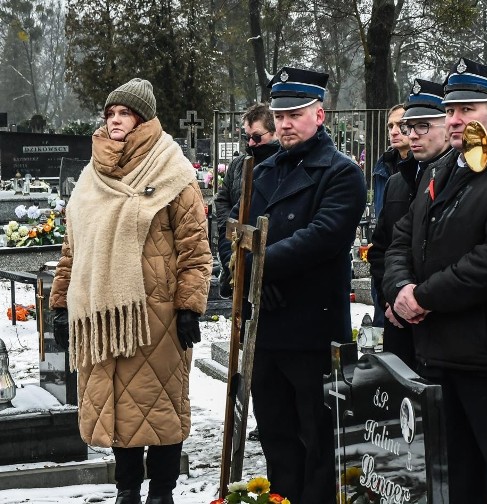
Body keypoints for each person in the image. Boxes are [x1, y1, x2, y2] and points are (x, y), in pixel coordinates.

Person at [382, 58, 487, 504]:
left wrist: (424, 297)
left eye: (467, 110)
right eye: (450, 110)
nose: (455, 120)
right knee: (456, 485)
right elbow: (401, 240)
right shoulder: (439, 170)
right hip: (438, 353)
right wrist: (399, 289)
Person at [49, 78, 212, 504]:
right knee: (117, 405)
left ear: (143, 118)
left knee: (158, 405)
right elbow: (72, 247)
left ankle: (161, 491)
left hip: (155, 314)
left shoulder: (173, 170)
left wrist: (189, 307)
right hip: (105, 314)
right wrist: (62, 301)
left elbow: (195, 248)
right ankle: (126, 491)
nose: (115, 120)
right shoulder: (91, 176)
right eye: (110, 113)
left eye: (125, 113)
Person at [218, 66, 366, 502]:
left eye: (295, 114)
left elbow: (321, 237)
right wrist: (244, 280)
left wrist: (257, 268)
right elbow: (233, 232)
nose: (284, 123)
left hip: (311, 329)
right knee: (277, 438)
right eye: (279, 115)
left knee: (318, 441)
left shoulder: (341, 173)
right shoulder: (261, 172)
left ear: (319, 115)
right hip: (266, 329)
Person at [368, 79, 452, 368]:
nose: (412, 135)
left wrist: (419, 300)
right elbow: (381, 249)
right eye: (408, 127)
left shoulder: (460, 180)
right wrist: (392, 299)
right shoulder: (396, 183)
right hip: (399, 326)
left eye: (422, 126)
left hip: (444, 328)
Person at [214, 103, 280, 299]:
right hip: (236, 248)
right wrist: (230, 245)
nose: (251, 143)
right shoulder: (238, 164)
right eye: (247, 137)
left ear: (274, 132)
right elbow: (223, 200)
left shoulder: (282, 164)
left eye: (257, 137)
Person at [368, 104, 410, 327]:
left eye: (400, 125)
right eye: (390, 126)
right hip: (384, 269)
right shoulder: (383, 165)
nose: (394, 131)